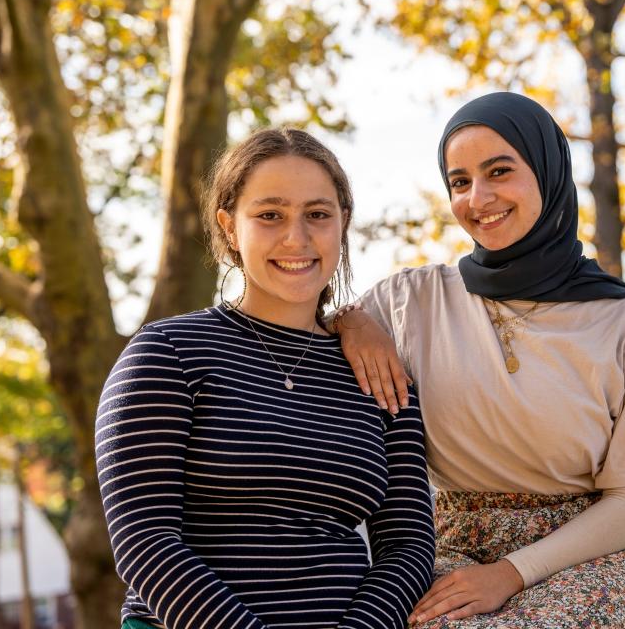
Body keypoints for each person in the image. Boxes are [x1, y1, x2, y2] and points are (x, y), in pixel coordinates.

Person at [331, 92, 625, 628]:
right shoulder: (408, 303)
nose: (479, 197)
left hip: (596, 557)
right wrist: (347, 320)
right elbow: (301, 337)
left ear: (547, 170)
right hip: (446, 546)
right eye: (459, 181)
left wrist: (510, 573)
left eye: (500, 170)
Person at [95, 128, 435, 629]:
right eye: (270, 215)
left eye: (317, 214)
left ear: (343, 224)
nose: (296, 238)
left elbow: (408, 545)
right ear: (230, 227)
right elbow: (145, 542)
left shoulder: (380, 371)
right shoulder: (167, 353)